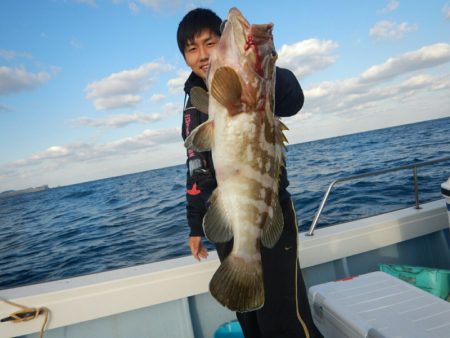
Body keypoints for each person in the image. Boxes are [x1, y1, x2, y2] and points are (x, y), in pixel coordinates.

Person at [177, 8, 322, 338]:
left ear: (224, 44)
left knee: (285, 317)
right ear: (184, 56)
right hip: (226, 214)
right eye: (192, 48)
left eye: (210, 42)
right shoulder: (192, 103)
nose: (202, 54)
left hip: (267, 210)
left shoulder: (254, 87)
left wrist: (265, 62)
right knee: (251, 319)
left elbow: (293, 99)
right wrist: (195, 225)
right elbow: (195, 165)